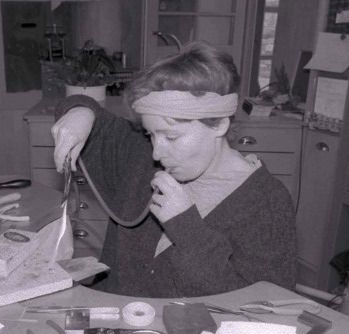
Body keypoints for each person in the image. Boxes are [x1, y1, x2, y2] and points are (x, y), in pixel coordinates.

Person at [51, 41, 296, 298]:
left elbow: (260, 310)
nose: (157, 153)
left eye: (171, 137)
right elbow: (85, 109)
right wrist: (80, 113)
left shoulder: (267, 203)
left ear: (219, 125)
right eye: (151, 134)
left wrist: (186, 227)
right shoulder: (141, 155)